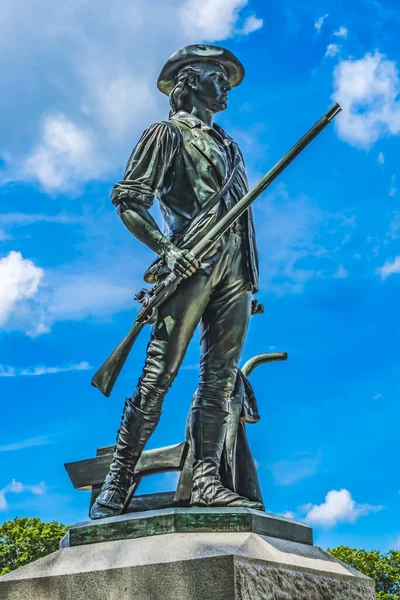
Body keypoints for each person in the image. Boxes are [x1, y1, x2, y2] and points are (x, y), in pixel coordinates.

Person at [90, 44, 263, 519]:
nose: (225, 83)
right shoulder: (165, 135)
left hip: (236, 273)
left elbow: (241, 219)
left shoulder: (231, 146)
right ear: (189, 82)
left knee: (220, 379)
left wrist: (250, 279)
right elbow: (129, 200)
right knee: (158, 377)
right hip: (190, 264)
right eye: (216, 75)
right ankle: (120, 477)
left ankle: (206, 478)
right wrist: (169, 251)